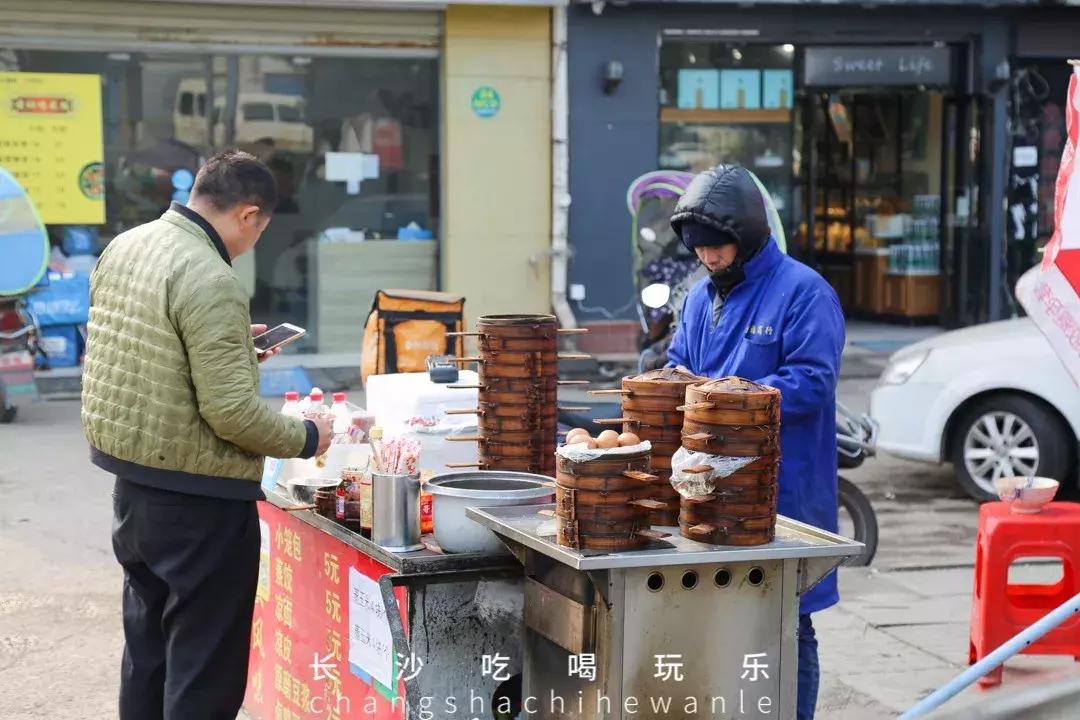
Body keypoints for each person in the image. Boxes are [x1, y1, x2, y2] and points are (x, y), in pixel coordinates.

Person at [81, 149, 333, 720]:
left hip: (133, 490)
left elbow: (142, 346)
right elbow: (233, 416)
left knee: (148, 653)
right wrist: (307, 436)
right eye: (262, 227)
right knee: (203, 668)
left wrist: (226, 345)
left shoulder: (129, 244)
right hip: (199, 502)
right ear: (248, 215)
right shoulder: (211, 277)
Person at [666, 164, 844, 720]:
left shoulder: (804, 292)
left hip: (784, 490)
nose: (707, 260)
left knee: (788, 622)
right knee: (719, 615)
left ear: (745, 237)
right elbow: (680, 366)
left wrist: (728, 401)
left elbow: (812, 381)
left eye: (716, 249)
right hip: (707, 490)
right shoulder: (699, 298)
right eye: (698, 251)